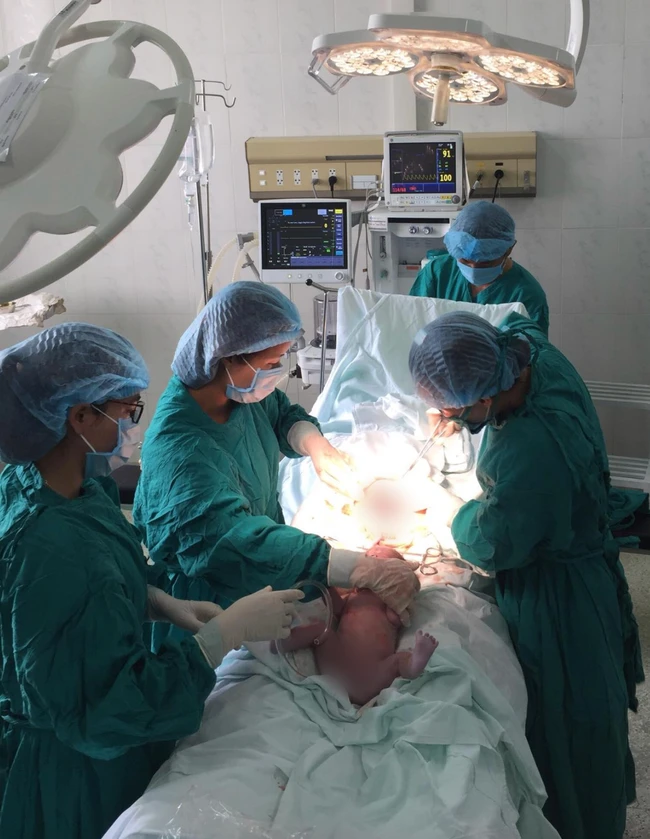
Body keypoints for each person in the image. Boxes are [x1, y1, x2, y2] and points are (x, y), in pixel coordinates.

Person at [0, 323, 305, 839]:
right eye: (127, 411)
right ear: (80, 416)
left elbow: (80, 599)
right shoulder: (48, 545)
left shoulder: (67, 484)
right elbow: (104, 711)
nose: (133, 425)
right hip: (74, 772)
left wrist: (152, 600)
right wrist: (217, 641)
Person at [408, 311, 644, 839]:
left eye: (452, 406)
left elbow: (495, 542)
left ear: (484, 396)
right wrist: (456, 412)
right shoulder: (527, 350)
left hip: (561, 593)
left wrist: (451, 512)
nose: (448, 415)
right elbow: (511, 326)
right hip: (574, 543)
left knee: (569, 722)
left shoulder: (531, 447)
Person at [133, 282, 420, 651]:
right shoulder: (180, 453)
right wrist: (355, 568)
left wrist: (314, 444)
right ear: (228, 358)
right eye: (271, 364)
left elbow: (280, 413)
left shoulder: (236, 392)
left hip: (269, 568)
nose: (278, 372)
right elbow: (235, 544)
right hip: (210, 601)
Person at [409, 201, 550, 336]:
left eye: (485, 263)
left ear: (508, 249)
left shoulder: (527, 294)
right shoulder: (437, 273)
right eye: (465, 260)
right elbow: (413, 324)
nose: (473, 268)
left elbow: (533, 347)